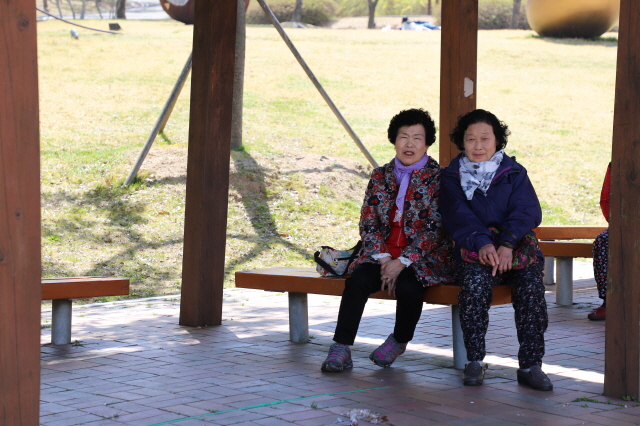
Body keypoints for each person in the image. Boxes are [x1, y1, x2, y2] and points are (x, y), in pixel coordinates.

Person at [321, 108, 454, 372]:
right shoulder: (380, 175)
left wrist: (402, 261)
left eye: (417, 138)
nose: (409, 144)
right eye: (403, 137)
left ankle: (399, 340)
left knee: (409, 287)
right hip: (380, 255)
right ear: (394, 140)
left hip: (423, 259)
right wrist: (384, 260)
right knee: (357, 281)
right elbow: (368, 222)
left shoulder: (440, 178)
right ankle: (341, 346)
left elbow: (436, 228)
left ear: (427, 143)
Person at [440, 109, 553, 391]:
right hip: (476, 250)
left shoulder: (514, 172)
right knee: (474, 288)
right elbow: (457, 215)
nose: (478, 146)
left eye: (485, 138)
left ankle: (530, 365)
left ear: (497, 140)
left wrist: (507, 243)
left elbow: (526, 210)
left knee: (531, 290)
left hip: (514, 248)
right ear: (462, 142)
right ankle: (474, 361)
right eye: (471, 139)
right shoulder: (452, 176)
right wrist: (483, 243)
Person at [588, 162, 610, 320]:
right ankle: (609, 301)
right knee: (603, 241)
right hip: (627, 222)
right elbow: (606, 198)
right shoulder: (619, 163)